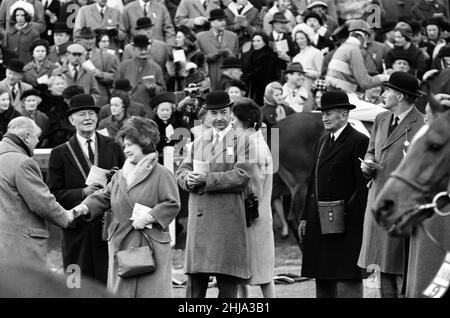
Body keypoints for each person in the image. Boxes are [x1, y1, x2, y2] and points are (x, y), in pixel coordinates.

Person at [72, 116, 180, 297]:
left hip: (150, 243)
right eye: (125, 146)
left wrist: (150, 216)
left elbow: (173, 204)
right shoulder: (120, 174)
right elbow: (104, 196)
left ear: (144, 143)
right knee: (122, 291)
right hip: (121, 241)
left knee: (150, 292)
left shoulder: (162, 173)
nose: (126, 150)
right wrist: (83, 208)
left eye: (130, 145)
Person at [176, 91, 252, 298]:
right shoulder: (199, 141)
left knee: (227, 288)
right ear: (207, 115)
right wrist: (187, 179)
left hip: (225, 223)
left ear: (230, 113)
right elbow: (181, 171)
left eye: (223, 112)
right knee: (194, 290)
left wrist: (206, 180)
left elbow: (242, 176)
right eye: (214, 113)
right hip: (199, 225)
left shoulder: (243, 140)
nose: (219, 118)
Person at [46, 93, 126, 286]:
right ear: (72, 120)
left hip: (109, 229)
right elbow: (52, 194)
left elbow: (128, 183)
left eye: (91, 113)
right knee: (76, 284)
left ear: (97, 117)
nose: (88, 118)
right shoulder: (59, 153)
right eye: (82, 114)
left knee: (108, 283)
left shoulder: (114, 146)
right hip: (76, 230)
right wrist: (83, 193)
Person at [358, 71, 425, 298]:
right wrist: (367, 164)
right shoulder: (380, 118)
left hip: (402, 203)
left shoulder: (422, 123)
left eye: (387, 90)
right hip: (377, 197)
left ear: (401, 96)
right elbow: (371, 151)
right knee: (382, 263)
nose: (383, 94)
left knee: (402, 264)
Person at [299, 90, 369, 298]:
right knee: (323, 278)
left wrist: (362, 223)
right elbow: (313, 181)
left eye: (329, 113)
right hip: (319, 219)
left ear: (344, 115)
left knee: (348, 278)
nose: (324, 118)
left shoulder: (359, 141)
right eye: (323, 113)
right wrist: (304, 216)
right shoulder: (322, 140)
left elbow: (363, 186)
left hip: (347, 223)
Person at [0, 117, 76, 269]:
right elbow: (41, 202)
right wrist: (66, 217)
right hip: (21, 246)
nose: (38, 142)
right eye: (37, 137)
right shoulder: (23, 162)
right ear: (27, 136)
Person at [232, 98, 275, 298]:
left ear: (244, 120)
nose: (231, 122)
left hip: (252, 215)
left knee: (259, 271)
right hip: (259, 213)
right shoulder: (257, 141)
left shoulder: (252, 146)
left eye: (233, 118)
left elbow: (252, 187)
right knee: (249, 271)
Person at [261, 81, 294, 239]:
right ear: (269, 95)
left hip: (288, 153)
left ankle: (290, 221)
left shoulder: (288, 109)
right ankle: (283, 224)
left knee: (289, 189)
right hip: (271, 152)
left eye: (281, 93)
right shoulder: (262, 111)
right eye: (276, 94)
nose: (280, 97)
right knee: (274, 192)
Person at [326, 20, 388, 93]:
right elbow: (365, 83)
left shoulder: (343, 47)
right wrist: (384, 77)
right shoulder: (354, 50)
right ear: (362, 36)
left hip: (334, 93)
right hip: (343, 95)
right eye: (367, 36)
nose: (367, 41)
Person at [116, 34, 165, 117]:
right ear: (134, 49)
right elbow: (116, 88)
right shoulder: (124, 66)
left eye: (145, 48)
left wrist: (153, 88)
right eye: (140, 49)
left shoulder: (156, 68)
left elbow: (162, 91)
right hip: (127, 112)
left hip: (147, 111)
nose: (143, 51)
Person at [196, 9, 240, 91]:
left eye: (224, 20)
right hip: (209, 77)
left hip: (228, 79)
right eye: (220, 20)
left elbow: (237, 58)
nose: (223, 22)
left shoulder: (233, 36)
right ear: (212, 23)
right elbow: (197, 60)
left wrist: (229, 54)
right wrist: (212, 56)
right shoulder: (200, 37)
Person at [76, 27, 119, 103]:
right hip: (80, 99)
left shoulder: (107, 56)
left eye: (92, 38)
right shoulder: (75, 56)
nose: (90, 41)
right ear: (80, 40)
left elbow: (117, 77)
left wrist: (101, 75)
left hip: (100, 101)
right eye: (87, 39)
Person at [150, 92, 189, 163]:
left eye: (167, 110)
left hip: (179, 159)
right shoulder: (151, 125)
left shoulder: (180, 123)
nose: (165, 113)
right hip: (158, 161)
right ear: (156, 111)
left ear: (172, 110)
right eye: (162, 110)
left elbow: (187, 139)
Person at [37, 75, 74, 148]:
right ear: (50, 87)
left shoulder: (68, 102)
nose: (61, 86)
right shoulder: (43, 102)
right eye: (57, 84)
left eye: (62, 84)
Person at [243, 32, 280, 105]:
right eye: (253, 41)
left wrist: (247, 76)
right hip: (253, 86)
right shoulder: (252, 54)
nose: (255, 43)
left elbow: (261, 72)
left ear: (265, 42)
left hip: (263, 87)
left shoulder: (268, 55)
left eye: (258, 41)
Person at [291, 23, 323, 91]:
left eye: (302, 38)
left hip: (312, 90)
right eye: (297, 39)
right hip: (299, 92)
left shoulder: (316, 53)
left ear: (307, 38)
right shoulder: (296, 58)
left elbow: (321, 73)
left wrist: (305, 72)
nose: (300, 41)